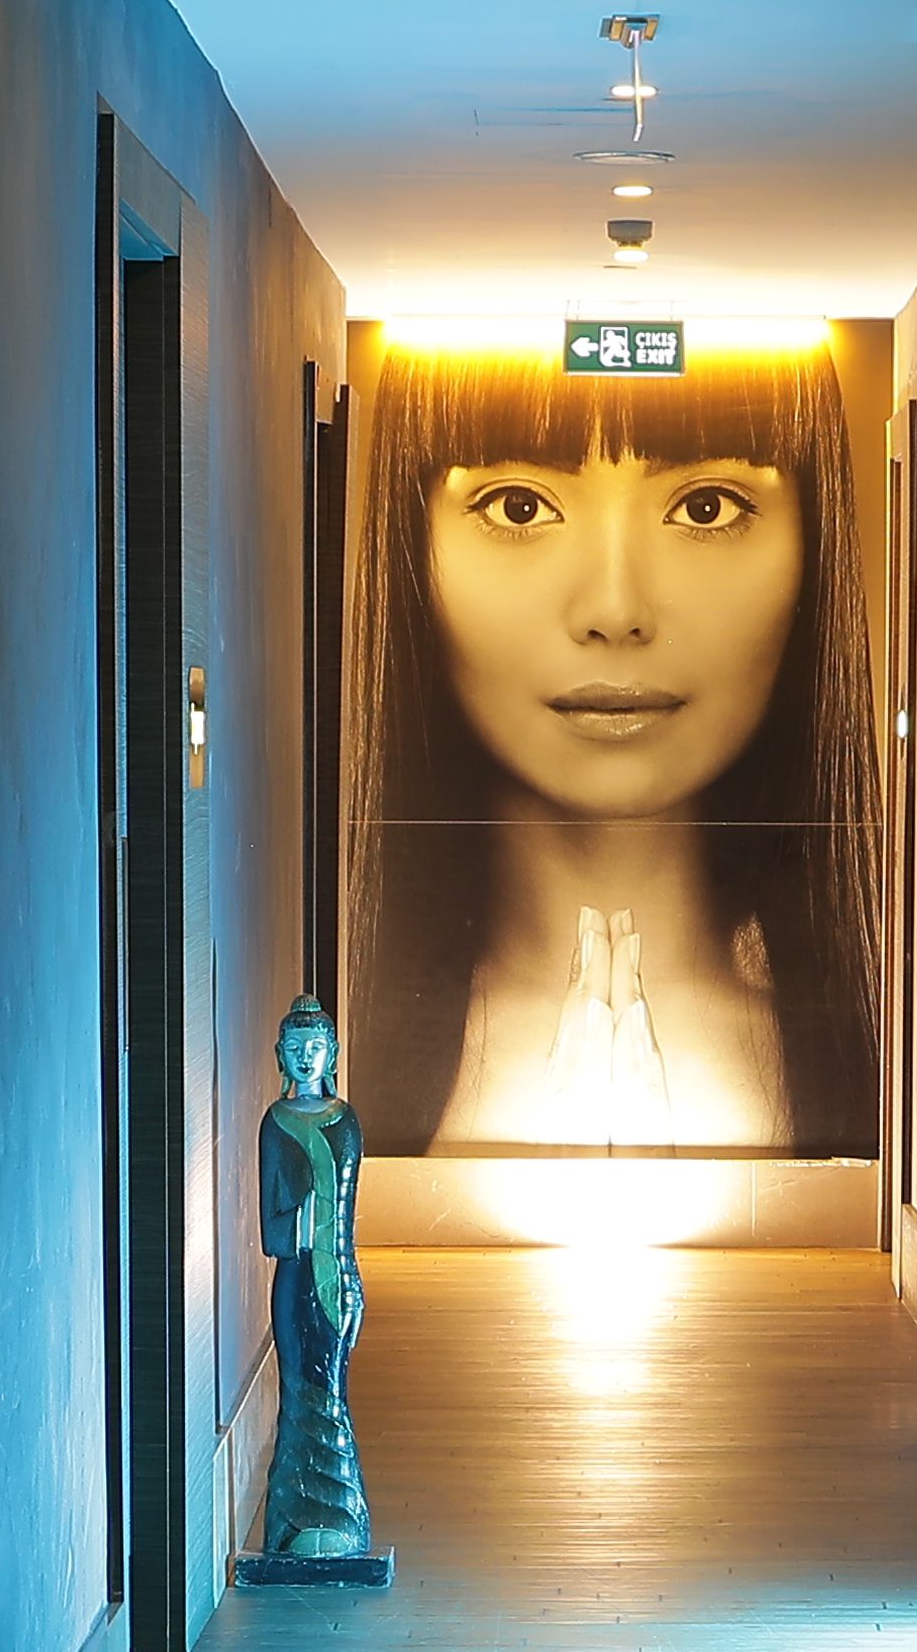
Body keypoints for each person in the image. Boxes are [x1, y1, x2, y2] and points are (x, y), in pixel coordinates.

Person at [333, 348, 886, 1155]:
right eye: (519, 506)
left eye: (705, 508)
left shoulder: (889, 1070)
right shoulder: (340, 1056)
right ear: (410, 541)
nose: (616, 608)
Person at [233, 994, 390, 1586]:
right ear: (280, 1055)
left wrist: (341, 1269)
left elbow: (342, 1214)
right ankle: (294, 1526)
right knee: (300, 1397)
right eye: (295, 1048)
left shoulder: (344, 1122)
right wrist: (301, 1214)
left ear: (334, 1054)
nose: (306, 1057)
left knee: (331, 1395)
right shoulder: (275, 1123)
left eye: (316, 1047)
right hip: (295, 1278)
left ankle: (340, 1520)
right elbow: (273, 1231)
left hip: (335, 1278)